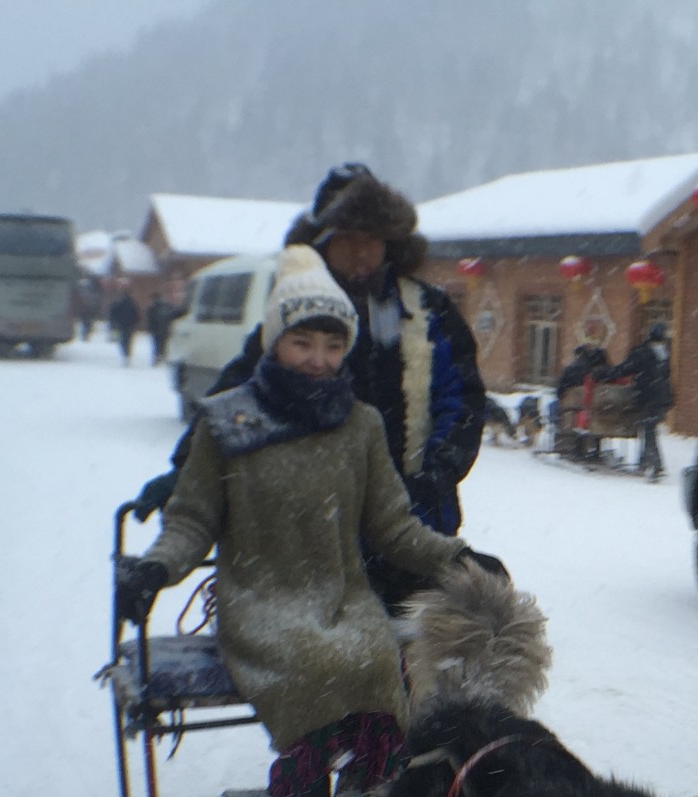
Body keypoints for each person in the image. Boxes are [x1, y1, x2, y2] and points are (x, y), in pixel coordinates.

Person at [112, 246, 508, 797]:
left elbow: (393, 526)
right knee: (315, 664)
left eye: (332, 343)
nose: (319, 359)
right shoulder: (227, 423)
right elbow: (191, 520)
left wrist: (456, 556)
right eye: (303, 342)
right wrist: (156, 569)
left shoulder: (361, 427)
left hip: (342, 597)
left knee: (381, 657)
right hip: (260, 601)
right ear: (275, 341)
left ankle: (376, 792)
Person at [136, 163, 487, 612]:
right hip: (311, 516)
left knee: (411, 649)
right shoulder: (297, 313)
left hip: (413, 515)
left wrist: (434, 475)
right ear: (322, 242)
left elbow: (461, 402)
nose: (362, 253)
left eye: (373, 239)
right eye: (348, 239)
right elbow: (239, 393)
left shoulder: (428, 311)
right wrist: (184, 472)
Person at [607, 322, 674, 479]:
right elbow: (665, 377)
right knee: (649, 428)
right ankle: (645, 462)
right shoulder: (664, 354)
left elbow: (626, 368)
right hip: (662, 399)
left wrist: (606, 374)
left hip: (649, 397)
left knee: (648, 430)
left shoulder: (643, 352)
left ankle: (655, 465)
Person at [145, 290, 179, 366]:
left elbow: (150, 319)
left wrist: (149, 328)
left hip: (156, 329)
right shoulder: (167, 305)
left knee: (156, 344)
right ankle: (163, 356)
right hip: (165, 328)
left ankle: (157, 358)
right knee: (164, 343)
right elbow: (173, 315)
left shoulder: (152, 307)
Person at [109, 290, 140, 364]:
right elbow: (136, 314)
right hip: (130, 325)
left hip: (121, 325)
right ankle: (128, 353)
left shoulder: (119, 303)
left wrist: (115, 322)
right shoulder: (132, 303)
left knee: (122, 340)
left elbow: (113, 312)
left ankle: (125, 353)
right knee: (129, 340)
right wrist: (135, 322)